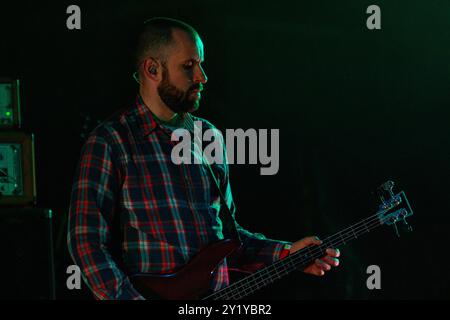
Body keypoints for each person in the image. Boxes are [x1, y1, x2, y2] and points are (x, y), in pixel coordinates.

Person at [67, 17, 340, 300]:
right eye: (188, 66)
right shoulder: (112, 140)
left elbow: (228, 239)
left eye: (200, 63)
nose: (202, 76)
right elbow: (86, 241)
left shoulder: (208, 137)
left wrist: (286, 253)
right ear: (152, 69)